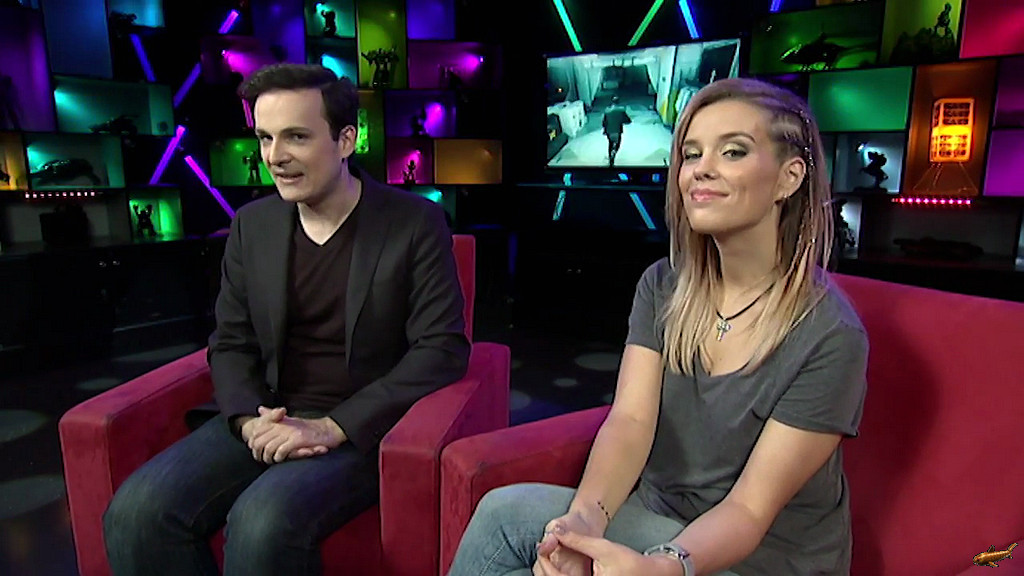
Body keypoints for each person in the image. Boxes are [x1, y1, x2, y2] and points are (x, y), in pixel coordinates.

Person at [447, 77, 868, 576]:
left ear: (789, 177)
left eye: (732, 151)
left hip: (760, 559)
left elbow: (750, 509)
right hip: (655, 518)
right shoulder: (663, 285)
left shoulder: (830, 334)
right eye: (691, 154)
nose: (700, 169)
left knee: (503, 517)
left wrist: (665, 567)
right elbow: (630, 422)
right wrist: (583, 522)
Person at [102, 63, 471, 576]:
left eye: (296, 136)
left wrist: (332, 427)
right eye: (265, 138)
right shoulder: (251, 225)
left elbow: (442, 348)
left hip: (355, 426)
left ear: (346, 140)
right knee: (136, 514)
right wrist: (248, 420)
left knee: (261, 524)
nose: (275, 156)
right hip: (268, 415)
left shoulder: (414, 222)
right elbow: (231, 341)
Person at [601, 96, 631, 167]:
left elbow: (604, 123)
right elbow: (628, 120)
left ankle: (610, 158)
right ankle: (613, 153)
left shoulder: (607, 111)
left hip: (609, 131)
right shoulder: (621, 110)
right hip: (617, 131)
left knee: (610, 143)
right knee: (617, 144)